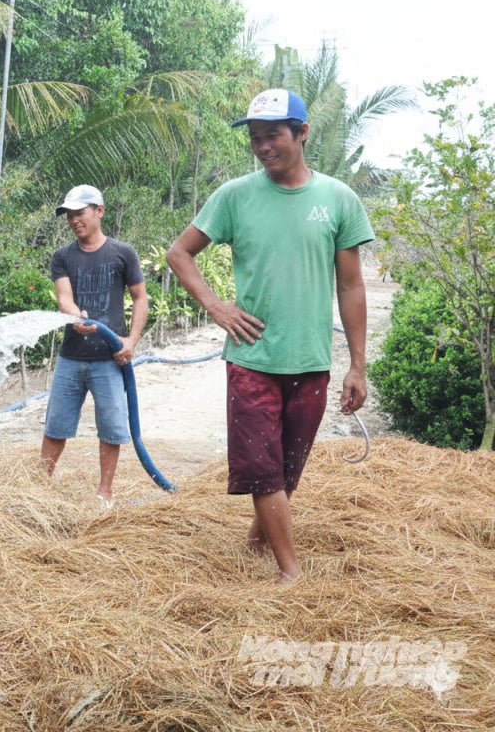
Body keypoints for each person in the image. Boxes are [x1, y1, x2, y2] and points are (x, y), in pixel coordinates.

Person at [165, 89, 373, 583]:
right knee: (263, 467)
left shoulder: (337, 199)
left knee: (287, 470)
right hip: (252, 357)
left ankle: (259, 542)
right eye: (255, 138)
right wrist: (216, 306)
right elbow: (179, 253)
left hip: (309, 360)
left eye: (273, 135)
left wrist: (358, 364)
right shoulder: (235, 196)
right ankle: (290, 572)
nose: (262, 146)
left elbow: (350, 284)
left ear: (301, 133)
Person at [40, 184, 148, 508]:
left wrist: (131, 340)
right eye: (70, 215)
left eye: (80, 212)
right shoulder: (63, 257)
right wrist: (75, 316)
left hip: (110, 358)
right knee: (56, 424)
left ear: (99, 211)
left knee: (112, 426)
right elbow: (64, 299)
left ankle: (105, 493)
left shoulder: (122, 253)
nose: (74, 220)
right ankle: (39, 487)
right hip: (71, 357)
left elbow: (140, 297)